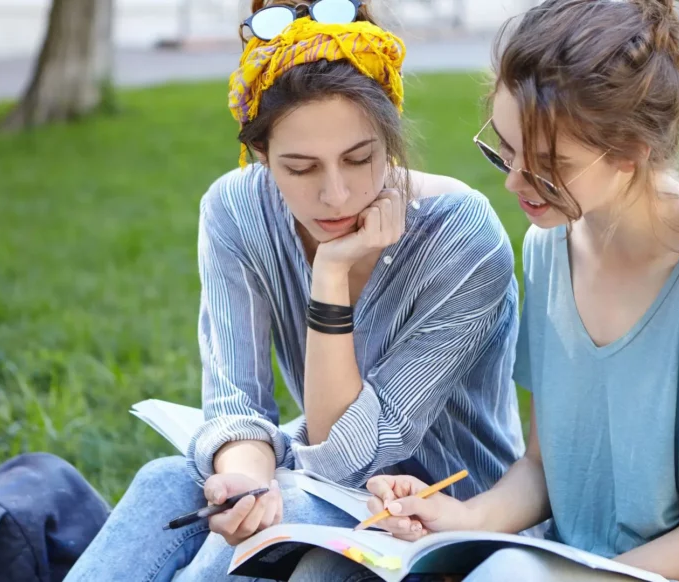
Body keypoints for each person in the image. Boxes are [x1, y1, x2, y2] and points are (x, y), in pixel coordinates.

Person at [291, 0, 679, 581]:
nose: (512, 182)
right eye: (505, 148)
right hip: (572, 555)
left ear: (631, 156)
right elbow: (544, 467)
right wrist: (458, 517)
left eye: (547, 165)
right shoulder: (550, 245)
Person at [64, 1, 528, 580]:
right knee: (167, 482)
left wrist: (330, 276)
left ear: (391, 139)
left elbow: (345, 451)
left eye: (360, 159)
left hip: (448, 510)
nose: (335, 195)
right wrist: (248, 478)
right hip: (322, 480)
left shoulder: (460, 234)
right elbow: (235, 401)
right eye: (300, 169)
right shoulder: (235, 209)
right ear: (260, 156)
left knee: (288, 534)